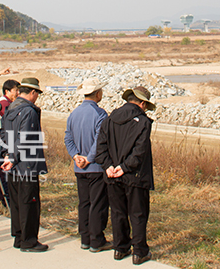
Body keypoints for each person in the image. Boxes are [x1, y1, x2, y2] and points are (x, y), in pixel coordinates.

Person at [95, 86, 156, 265]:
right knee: (138, 213)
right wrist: (125, 167)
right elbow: (140, 151)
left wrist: (108, 166)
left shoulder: (110, 119)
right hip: (134, 175)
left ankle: (120, 248)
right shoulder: (143, 122)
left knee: (118, 212)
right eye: (146, 106)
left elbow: (101, 148)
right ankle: (139, 252)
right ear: (142, 103)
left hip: (112, 175)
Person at [0, 78, 49, 252]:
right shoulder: (29, 111)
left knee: (17, 203)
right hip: (26, 165)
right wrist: (12, 157)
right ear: (33, 93)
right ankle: (29, 241)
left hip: (12, 165)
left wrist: (6, 156)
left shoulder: (10, 109)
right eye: (37, 94)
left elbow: (3, 134)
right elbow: (25, 138)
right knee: (29, 202)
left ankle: (19, 237)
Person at [64, 78, 111, 252]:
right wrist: (89, 159)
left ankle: (85, 238)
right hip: (96, 168)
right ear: (98, 94)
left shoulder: (73, 113)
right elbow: (100, 140)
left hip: (79, 167)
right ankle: (96, 240)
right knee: (98, 204)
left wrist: (76, 156)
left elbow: (68, 138)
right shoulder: (100, 114)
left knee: (84, 203)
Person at [0, 79, 20, 207]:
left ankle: (3, 196)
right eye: (16, 90)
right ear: (7, 91)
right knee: (4, 175)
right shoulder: (3, 103)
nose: (18, 93)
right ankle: (6, 200)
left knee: (2, 174)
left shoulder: (6, 102)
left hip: (0, 142)